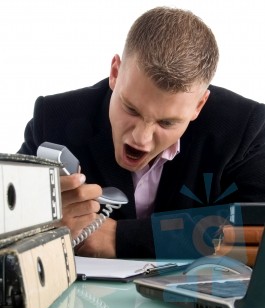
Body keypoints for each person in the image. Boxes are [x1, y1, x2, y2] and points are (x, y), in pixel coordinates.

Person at [18, 7, 265, 259]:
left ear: (199, 105)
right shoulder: (53, 119)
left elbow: (258, 234)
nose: (141, 138)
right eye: (131, 109)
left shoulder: (243, 128)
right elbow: (9, 218)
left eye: (166, 123)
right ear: (115, 72)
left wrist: (120, 238)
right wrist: (42, 226)